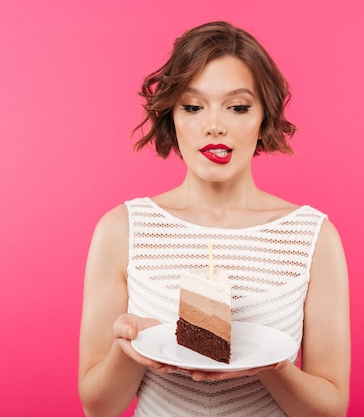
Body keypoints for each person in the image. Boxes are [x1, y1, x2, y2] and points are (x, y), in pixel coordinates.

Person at [78, 21, 350, 417]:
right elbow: (98, 408)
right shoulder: (121, 230)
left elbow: (331, 411)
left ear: (264, 118)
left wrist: (272, 365)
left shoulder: (313, 237)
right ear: (171, 115)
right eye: (192, 106)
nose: (214, 125)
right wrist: (129, 349)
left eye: (238, 107)